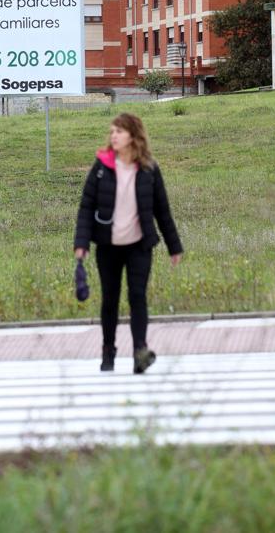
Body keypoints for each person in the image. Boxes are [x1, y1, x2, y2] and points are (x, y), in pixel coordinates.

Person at [74, 112, 183, 374]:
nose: (113, 136)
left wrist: (174, 246)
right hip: (107, 245)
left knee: (138, 297)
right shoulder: (101, 167)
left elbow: (162, 210)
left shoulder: (148, 169)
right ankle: (108, 351)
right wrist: (82, 243)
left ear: (133, 136)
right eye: (112, 131)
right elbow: (86, 206)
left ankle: (140, 352)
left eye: (119, 132)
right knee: (110, 299)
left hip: (139, 245)